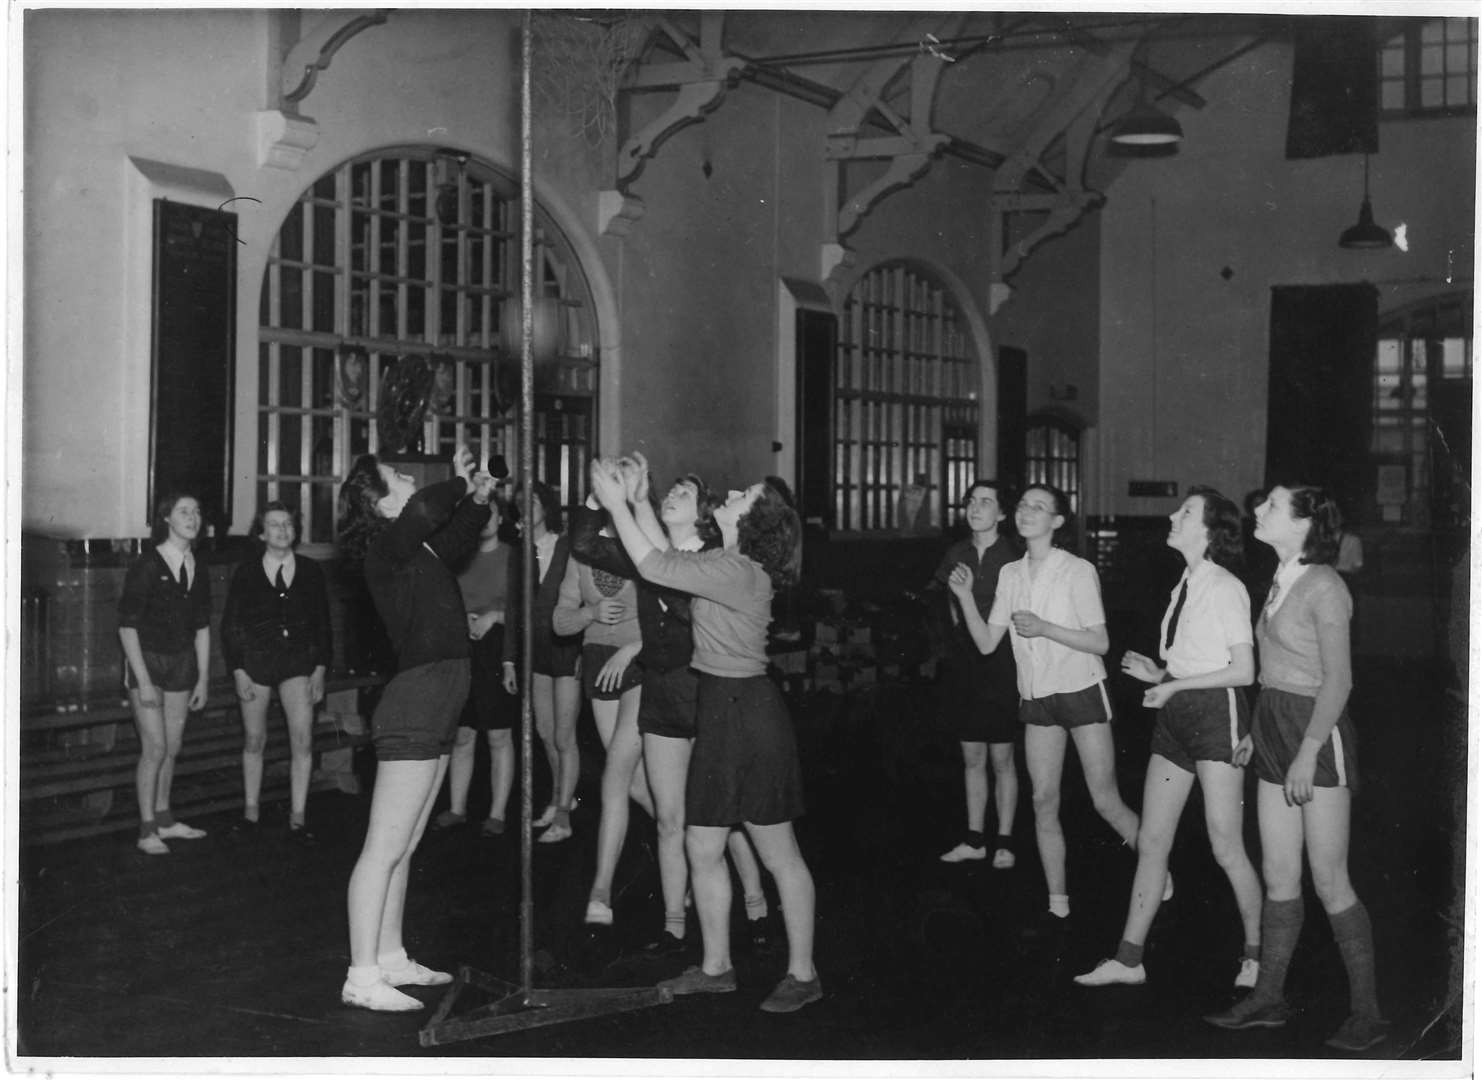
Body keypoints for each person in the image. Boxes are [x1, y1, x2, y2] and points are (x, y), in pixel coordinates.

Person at [590, 460, 822, 1013]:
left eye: (745, 493)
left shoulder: (740, 572)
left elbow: (650, 562)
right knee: (701, 843)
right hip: (719, 709)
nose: (734, 490)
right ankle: (717, 967)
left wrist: (618, 504)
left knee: (778, 853)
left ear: (756, 517)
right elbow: (664, 563)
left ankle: (804, 973)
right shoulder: (725, 560)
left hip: (751, 716)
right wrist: (641, 501)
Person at [1204, 485, 1388, 1053]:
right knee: (1279, 876)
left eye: (1272, 508)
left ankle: (1369, 1013)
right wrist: (1257, 736)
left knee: (1330, 880)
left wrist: (1307, 751)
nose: (1258, 512)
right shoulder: (1283, 578)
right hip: (1274, 730)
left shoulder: (1326, 586)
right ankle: (1269, 998)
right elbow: (1274, 671)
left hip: (1317, 733)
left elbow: (1339, 681)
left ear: (1305, 523)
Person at [572, 455, 774, 954]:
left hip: (702, 688)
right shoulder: (650, 553)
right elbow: (583, 544)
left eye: (682, 492)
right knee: (669, 818)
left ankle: (754, 901)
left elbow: (676, 592)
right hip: (661, 690)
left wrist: (633, 505)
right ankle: (674, 924)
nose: (671, 495)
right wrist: (602, 498)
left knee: (718, 816)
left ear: (701, 513)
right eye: (671, 490)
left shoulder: (708, 554)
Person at [1074, 487, 1263, 990]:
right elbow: (1194, 659)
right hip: (1175, 718)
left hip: (1216, 717)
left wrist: (1173, 683)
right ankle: (1128, 959)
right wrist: (1158, 673)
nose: (1173, 516)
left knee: (1226, 845)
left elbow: (1243, 671)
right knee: (1153, 840)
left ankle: (1257, 954)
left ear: (1208, 529)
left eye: (1186, 512)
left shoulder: (1225, 586)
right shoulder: (1185, 582)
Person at [336, 446, 494, 1011]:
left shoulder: (419, 550)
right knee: (383, 848)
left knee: (405, 844)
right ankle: (361, 977)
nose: (409, 479)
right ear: (379, 503)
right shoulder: (388, 547)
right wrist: (455, 480)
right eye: (397, 476)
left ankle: (391, 957)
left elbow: (455, 536)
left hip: (439, 700)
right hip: (415, 704)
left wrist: (477, 496)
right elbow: (429, 508)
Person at [947, 483, 1140, 929]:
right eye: (1022, 506)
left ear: (1056, 522)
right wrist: (963, 598)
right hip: (1036, 697)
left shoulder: (1077, 570)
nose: (1026, 512)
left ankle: (1156, 868)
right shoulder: (1011, 575)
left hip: (1081, 690)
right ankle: (1057, 901)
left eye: (1038, 507)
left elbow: (1100, 641)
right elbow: (986, 641)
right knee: (1043, 799)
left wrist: (1045, 628)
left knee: (1105, 800)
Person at [555, 482, 650, 927]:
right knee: (634, 782)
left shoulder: (642, 549)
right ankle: (697, 837)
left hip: (640, 661)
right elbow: (560, 618)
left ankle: (601, 890)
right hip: (597, 663)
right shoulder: (582, 555)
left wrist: (637, 644)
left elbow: (671, 615)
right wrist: (591, 615)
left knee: (615, 773)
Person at [220, 501, 333, 843]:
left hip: (298, 663)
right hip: (256, 662)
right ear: (261, 532)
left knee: (302, 739)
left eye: (288, 524)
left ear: (295, 531)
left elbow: (323, 625)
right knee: (255, 739)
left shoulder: (311, 571)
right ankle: (251, 810)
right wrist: (238, 670)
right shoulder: (246, 571)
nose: (282, 530)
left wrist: (319, 670)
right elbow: (231, 625)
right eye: (274, 525)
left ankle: (298, 814)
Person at [926, 479, 1020, 867]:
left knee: (1002, 759)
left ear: (1001, 513)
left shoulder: (1013, 556)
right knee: (972, 758)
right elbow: (938, 596)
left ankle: (1004, 842)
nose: (976, 508)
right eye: (971, 502)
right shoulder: (957, 552)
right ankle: (975, 838)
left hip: (1002, 664)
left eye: (986, 502)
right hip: (965, 665)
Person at [117, 491, 213, 855]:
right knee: (154, 747)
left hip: (182, 664)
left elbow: (202, 627)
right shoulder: (147, 564)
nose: (192, 517)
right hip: (148, 663)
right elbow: (127, 628)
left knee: (172, 747)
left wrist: (202, 678)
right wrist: (142, 681)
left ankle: (165, 819)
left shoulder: (196, 566)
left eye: (197, 511)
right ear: (167, 519)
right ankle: (146, 831)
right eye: (183, 511)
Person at [430, 496, 519, 837]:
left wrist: (496, 617)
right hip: (462, 646)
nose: (484, 521)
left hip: (498, 649)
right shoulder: (457, 557)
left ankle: (496, 813)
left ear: (500, 518)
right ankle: (456, 807)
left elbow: (526, 609)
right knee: (463, 734)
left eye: (490, 514)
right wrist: (460, 618)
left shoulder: (513, 556)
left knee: (498, 734)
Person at [512, 481, 583, 844]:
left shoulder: (566, 544)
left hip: (566, 646)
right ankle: (559, 799)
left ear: (547, 506)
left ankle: (566, 816)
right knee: (543, 731)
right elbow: (514, 605)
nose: (527, 506)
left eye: (534, 500)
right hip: (536, 650)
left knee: (563, 735)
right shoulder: (520, 550)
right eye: (521, 502)